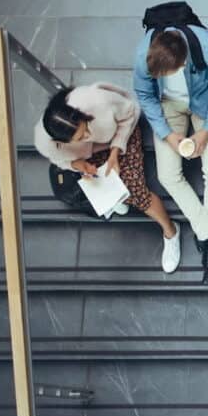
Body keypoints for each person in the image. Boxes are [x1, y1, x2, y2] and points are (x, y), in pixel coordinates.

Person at [35, 83, 181, 273]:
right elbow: (58, 160)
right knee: (95, 184)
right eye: (80, 138)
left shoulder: (99, 101)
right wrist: (78, 165)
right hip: (90, 156)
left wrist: (115, 152)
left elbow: (131, 112)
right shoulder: (45, 143)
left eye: (85, 127)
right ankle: (116, 196)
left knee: (135, 192)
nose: (88, 135)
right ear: (59, 142)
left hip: (121, 135)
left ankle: (171, 231)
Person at [133, 24, 208, 286]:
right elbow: (145, 95)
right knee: (167, 174)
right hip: (168, 108)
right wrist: (167, 134)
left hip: (205, 104)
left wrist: (206, 131)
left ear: (184, 60)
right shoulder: (145, 55)